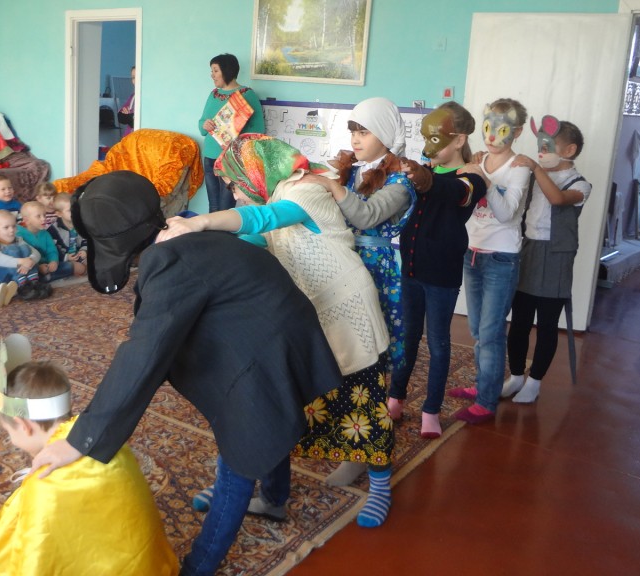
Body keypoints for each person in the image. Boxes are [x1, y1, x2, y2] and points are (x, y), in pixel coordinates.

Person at [29, 171, 342, 576]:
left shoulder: (166, 260)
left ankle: (199, 567)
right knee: (271, 414)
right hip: (285, 334)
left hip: (266, 346)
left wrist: (80, 440)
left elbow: (143, 354)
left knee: (242, 448)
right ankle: (274, 499)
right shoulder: (184, 235)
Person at [160, 134, 394, 528]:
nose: (235, 193)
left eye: (235, 184)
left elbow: (264, 220)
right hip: (311, 311)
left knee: (361, 401)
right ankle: (265, 494)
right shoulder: (276, 194)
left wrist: (199, 221)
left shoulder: (305, 190)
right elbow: (254, 235)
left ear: (255, 173)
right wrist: (200, 239)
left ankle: (381, 486)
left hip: (347, 308)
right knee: (291, 403)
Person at [0, 334, 178, 575]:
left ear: (24, 425)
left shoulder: (46, 483)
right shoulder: (102, 440)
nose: (10, 440)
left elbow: (33, 560)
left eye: (8, 432)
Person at [303, 97, 415, 484]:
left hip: (374, 272)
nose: (355, 139)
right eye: (353, 131)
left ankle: (366, 452)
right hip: (343, 265)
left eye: (364, 131)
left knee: (368, 364)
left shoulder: (401, 182)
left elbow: (366, 216)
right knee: (341, 356)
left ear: (385, 134)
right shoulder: (351, 173)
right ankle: (347, 441)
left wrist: (330, 186)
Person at [386, 102, 487, 438]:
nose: (429, 147)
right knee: (407, 336)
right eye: (426, 139)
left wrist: (426, 179)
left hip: (442, 274)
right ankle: (395, 397)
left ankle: (431, 410)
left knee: (439, 343)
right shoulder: (425, 170)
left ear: (459, 140)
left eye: (437, 140)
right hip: (411, 269)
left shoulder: (471, 177)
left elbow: (456, 193)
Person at [450, 98, 532, 424]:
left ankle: (486, 400)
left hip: (501, 257)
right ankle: (485, 385)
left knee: (491, 331)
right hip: (471, 252)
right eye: (488, 128)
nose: (492, 136)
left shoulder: (519, 167)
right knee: (477, 328)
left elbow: (506, 212)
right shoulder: (478, 160)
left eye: (502, 130)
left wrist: (482, 178)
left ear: (517, 131)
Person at [503, 117, 591, 404]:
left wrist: (536, 168)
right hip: (528, 250)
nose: (541, 152)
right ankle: (517, 375)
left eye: (548, 146)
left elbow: (557, 199)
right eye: (539, 146)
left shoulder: (580, 184)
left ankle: (535, 382)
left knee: (547, 323)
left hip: (557, 257)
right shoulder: (533, 176)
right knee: (519, 320)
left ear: (569, 150)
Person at [197, 53, 265, 213]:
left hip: (231, 160)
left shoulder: (247, 94)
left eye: (215, 71)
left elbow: (258, 131)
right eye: (212, 71)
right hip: (210, 158)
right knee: (213, 207)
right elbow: (201, 126)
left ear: (227, 71)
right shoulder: (214, 94)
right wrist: (205, 125)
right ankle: (211, 231)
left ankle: (222, 231)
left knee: (225, 209)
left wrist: (238, 132)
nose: (212, 75)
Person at [0, 210, 48, 301]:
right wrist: (21, 261)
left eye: (13, 226)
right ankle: (23, 286)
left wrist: (30, 261)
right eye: (6, 227)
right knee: (12, 249)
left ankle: (33, 282)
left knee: (25, 248)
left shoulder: (18, 239)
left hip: (15, 274)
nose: (12, 230)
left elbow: (36, 253)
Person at [17, 201, 70, 282]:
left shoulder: (45, 233)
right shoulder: (19, 234)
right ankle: (42, 278)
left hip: (47, 266)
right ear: (27, 220)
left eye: (44, 215)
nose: (43, 219)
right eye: (38, 216)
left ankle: (45, 278)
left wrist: (53, 261)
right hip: (31, 268)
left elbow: (52, 250)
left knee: (69, 266)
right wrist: (38, 267)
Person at [46, 193, 87, 277]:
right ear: (59, 214)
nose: (74, 212)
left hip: (80, 255)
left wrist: (84, 250)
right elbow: (53, 249)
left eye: (75, 208)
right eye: (69, 210)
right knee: (76, 268)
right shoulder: (53, 230)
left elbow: (86, 239)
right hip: (64, 259)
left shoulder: (80, 223)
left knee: (95, 261)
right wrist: (66, 257)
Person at [117, 66, 137, 137]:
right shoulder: (133, 96)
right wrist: (130, 117)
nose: (135, 80)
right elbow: (120, 117)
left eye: (137, 76)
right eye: (133, 77)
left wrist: (129, 116)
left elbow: (138, 121)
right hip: (129, 137)